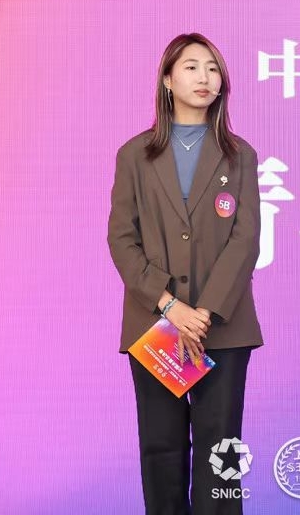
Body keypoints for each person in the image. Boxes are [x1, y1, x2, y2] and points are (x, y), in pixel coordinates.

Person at [108, 32, 262, 514]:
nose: (204, 77)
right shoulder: (135, 155)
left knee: (221, 451)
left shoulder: (240, 155)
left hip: (223, 326)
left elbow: (245, 239)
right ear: (168, 80)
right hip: (156, 325)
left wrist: (205, 311)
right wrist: (170, 305)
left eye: (213, 69)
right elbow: (122, 239)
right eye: (192, 67)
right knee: (161, 449)